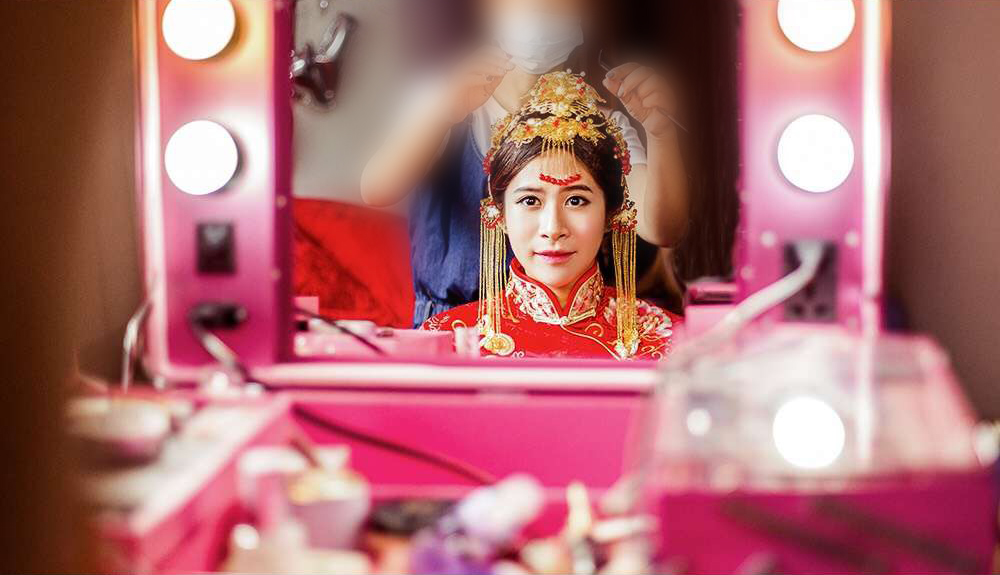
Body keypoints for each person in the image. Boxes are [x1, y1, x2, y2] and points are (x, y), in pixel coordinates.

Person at [360, 0, 690, 326]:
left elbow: (662, 228)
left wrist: (660, 132)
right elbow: (378, 188)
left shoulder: (602, 122)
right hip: (452, 331)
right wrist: (442, 111)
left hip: (566, 329)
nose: (539, 9)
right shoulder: (443, 97)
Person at [421, 71, 680, 360]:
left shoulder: (670, 345)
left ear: (611, 213)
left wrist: (662, 133)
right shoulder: (448, 344)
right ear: (500, 215)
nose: (553, 228)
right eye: (530, 200)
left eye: (576, 200)